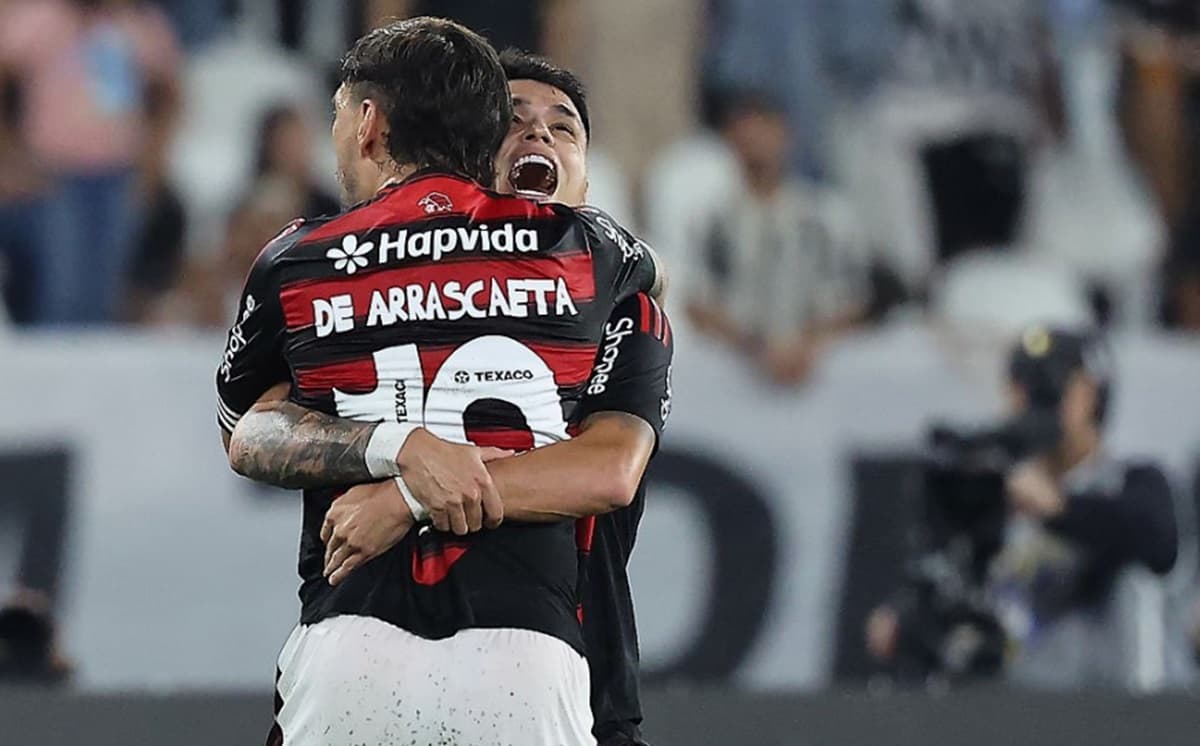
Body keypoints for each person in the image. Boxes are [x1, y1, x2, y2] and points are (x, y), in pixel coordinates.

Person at [215, 20, 664, 745]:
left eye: (563, 127)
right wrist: (412, 452)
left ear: (368, 123)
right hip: (534, 651)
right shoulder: (596, 257)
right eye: (517, 123)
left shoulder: (298, 258)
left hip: (348, 646)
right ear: (484, 137)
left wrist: (408, 479)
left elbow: (249, 433)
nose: (539, 140)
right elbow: (611, 456)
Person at [867, 326, 1178, 688]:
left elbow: (1159, 543)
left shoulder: (1131, 483)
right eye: (1023, 387)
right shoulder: (994, 489)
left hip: (1119, 711)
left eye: (1052, 386)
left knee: (1131, 581)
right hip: (1020, 713)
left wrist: (1059, 508)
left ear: (1091, 394)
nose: (1034, 402)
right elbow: (949, 583)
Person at [687, 91, 868, 386]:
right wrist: (756, 347)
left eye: (765, 133)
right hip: (738, 363)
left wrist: (807, 345)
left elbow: (853, 300)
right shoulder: (713, 220)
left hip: (817, 361)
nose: (756, 144)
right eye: (745, 136)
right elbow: (699, 302)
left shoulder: (825, 215)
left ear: (786, 136)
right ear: (731, 142)